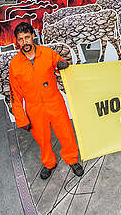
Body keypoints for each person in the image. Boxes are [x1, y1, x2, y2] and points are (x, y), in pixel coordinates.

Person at [9, 22, 84, 179]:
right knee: (42, 138)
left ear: (33, 37)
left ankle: (72, 159)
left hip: (54, 102)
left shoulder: (47, 53)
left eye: (27, 38)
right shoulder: (15, 64)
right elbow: (15, 94)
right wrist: (21, 118)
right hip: (34, 108)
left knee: (66, 132)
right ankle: (49, 163)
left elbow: (57, 61)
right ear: (17, 41)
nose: (25, 42)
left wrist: (61, 64)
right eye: (21, 39)